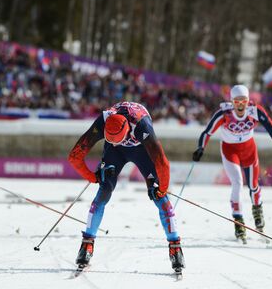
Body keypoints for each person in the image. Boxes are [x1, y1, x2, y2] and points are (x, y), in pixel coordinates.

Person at [68, 101, 185, 272]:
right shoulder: (103, 121)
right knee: (104, 190)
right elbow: (74, 156)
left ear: (127, 132)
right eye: (109, 139)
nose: (115, 143)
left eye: (117, 140)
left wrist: (162, 189)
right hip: (115, 153)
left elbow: (162, 163)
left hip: (140, 150)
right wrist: (93, 177)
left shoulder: (142, 126)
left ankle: (175, 246)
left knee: (159, 197)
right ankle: (87, 244)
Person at [192, 85, 272, 243]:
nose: (240, 105)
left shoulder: (255, 111)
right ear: (231, 101)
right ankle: (238, 221)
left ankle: (257, 210)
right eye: (236, 101)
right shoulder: (224, 113)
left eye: (243, 101)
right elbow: (207, 132)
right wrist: (200, 148)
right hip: (229, 150)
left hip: (249, 150)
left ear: (248, 101)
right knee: (237, 183)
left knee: (253, 185)